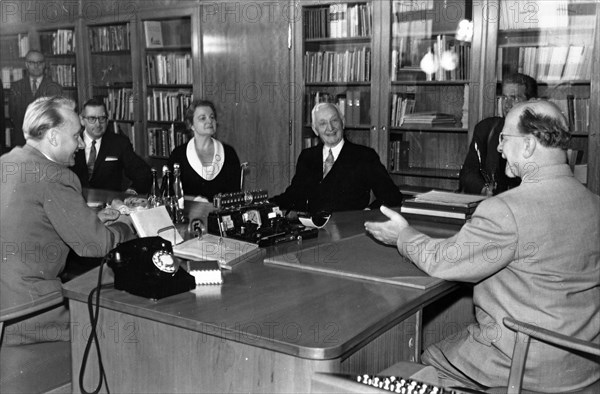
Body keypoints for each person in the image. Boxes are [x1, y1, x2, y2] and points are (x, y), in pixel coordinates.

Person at [364, 100, 599, 392]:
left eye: (504, 139)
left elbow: (445, 260)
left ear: (527, 146)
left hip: (526, 363)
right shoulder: (594, 203)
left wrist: (402, 235)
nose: (499, 150)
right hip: (582, 361)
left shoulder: (506, 209)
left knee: (422, 363)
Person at [0, 96, 135, 345]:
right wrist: (127, 225)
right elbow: (96, 246)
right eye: (75, 136)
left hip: (6, 302)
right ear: (52, 137)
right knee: (124, 325)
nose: (82, 145)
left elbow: (32, 218)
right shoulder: (56, 176)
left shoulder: (7, 162)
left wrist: (90, 218)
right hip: (30, 309)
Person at [271, 102, 402, 213]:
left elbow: (392, 196)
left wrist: (366, 213)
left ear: (343, 123)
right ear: (315, 129)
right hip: (311, 231)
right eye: (322, 123)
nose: (330, 128)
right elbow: (293, 195)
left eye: (334, 120)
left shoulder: (364, 156)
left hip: (347, 233)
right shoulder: (307, 157)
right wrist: (263, 204)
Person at [459, 73, 537, 195]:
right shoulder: (486, 129)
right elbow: (468, 173)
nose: (507, 104)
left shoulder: (540, 137)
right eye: (504, 97)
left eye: (514, 98)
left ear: (531, 102)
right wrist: (484, 189)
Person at [70, 98, 152, 194]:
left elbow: (144, 173)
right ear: (82, 120)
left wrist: (132, 191)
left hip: (110, 203)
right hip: (76, 202)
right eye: (92, 119)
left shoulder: (119, 143)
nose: (98, 124)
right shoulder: (72, 142)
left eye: (102, 118)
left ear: (107, 120)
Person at [167, 99, 241, 201]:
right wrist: (194, 200)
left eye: (212, 117)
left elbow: (235, 194)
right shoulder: (178, 155)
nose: (209, 121)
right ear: (191, 125)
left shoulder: (229, 153)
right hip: (188, 214)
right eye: (202, 118)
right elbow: (171, 194)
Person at [9, 50, 63, 147]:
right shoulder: (16, 87)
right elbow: (13, 115)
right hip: (22, 141)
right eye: (32, 63)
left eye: (40, 62)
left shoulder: (55, 88)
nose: (36, 65)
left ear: (44, 65)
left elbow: (56, 117)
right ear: (26, 64)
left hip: (46, 142)